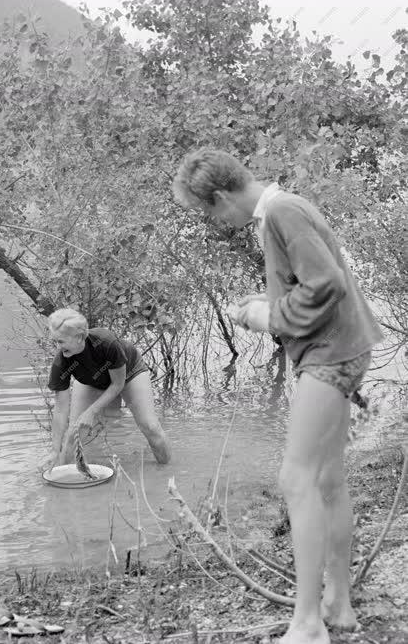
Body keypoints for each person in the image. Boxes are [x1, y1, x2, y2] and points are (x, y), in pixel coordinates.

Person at [172, 148, 382, 644]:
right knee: (328, 479)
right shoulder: (287, 208)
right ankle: (338, 604)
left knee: (296, 479)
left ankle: (308, 625)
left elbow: (327, 283)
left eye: (209, 212)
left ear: (221, 196)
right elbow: (312, 282)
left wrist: (272, 317)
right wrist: (266, 304)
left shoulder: (281, 212)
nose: (215, 222)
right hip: (342, 347)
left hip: (331, 354)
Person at [45, 308, 171, 470]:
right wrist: (55, 450)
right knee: (73, 435)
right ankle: (61, 482)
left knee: (150, 427)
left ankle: (167, 472)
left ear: (79, 337)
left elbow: (117, 384)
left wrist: (91, 412)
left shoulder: (106, 342)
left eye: (61, 341)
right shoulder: (60, 362)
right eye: (55, 341)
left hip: (130, 373)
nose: (58, 347)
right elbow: (61, 410)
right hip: (91, 381)